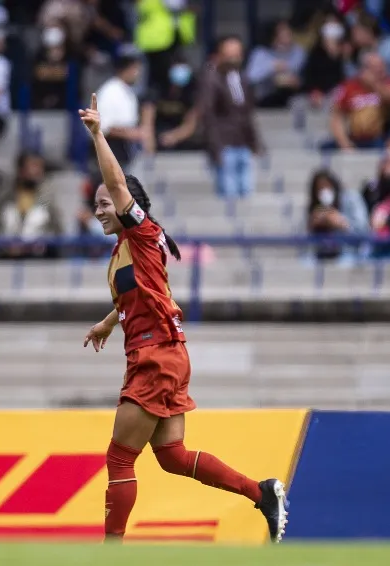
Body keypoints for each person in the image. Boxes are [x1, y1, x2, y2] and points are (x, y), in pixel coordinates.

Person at [78, 93, 288, 543]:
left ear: (126, 204)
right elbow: (140, 298)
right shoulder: (124, 252)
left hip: (154, 355)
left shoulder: (143, 232)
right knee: (172, 456)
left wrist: (99, 135)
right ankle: (262, 493)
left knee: (119, 459)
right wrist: (108, 322)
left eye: (103, 203)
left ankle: (109, 550)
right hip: (165, 352)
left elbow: (116, 185)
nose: (97, 210)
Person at [199, 36, 264, 199]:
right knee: (229, 196)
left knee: (247, 192)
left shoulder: (242, 79)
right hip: (224, 144)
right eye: (229, 54)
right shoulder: (212, 79)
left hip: (243, 142)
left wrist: (254, 142)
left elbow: (247, 114)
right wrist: (215, 146)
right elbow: (209, 115)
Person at [324, 51, 390, 151]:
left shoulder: (389, 83)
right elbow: (337, 117)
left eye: (382, 66)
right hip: (355, 138)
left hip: (380, 139)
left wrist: (374, 85)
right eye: (375, 67)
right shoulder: (349, 87)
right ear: (364, 69)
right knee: (325, 148)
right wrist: (344, 143)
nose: (380, 70)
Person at [306, 169, 369, 260]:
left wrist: (341, 223)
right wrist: (312, 224)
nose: (324, 191)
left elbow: (363, 232)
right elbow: (304, 241)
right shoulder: (314, 208)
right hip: (320, 256)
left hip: (349, 254)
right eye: (319, 188)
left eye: (327, 186)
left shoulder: (351, 199)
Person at [141, 57, 200, 153]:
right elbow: (147, 122)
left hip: (183, 145)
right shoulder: (156, 90)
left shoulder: (191, 92)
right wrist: (149, 146)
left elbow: (191, 123)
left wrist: (174, 136)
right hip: (157, 141)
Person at [246, 20, 306, 108]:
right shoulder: (261, 53)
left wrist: (296, 80)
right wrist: (272, 67)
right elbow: (250, 78)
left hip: (291, 96)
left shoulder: (299, 52)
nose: (287, 35)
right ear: (274, 36)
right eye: (282, 33)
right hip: (264, 98)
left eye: (288, 32)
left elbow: (303, 75)